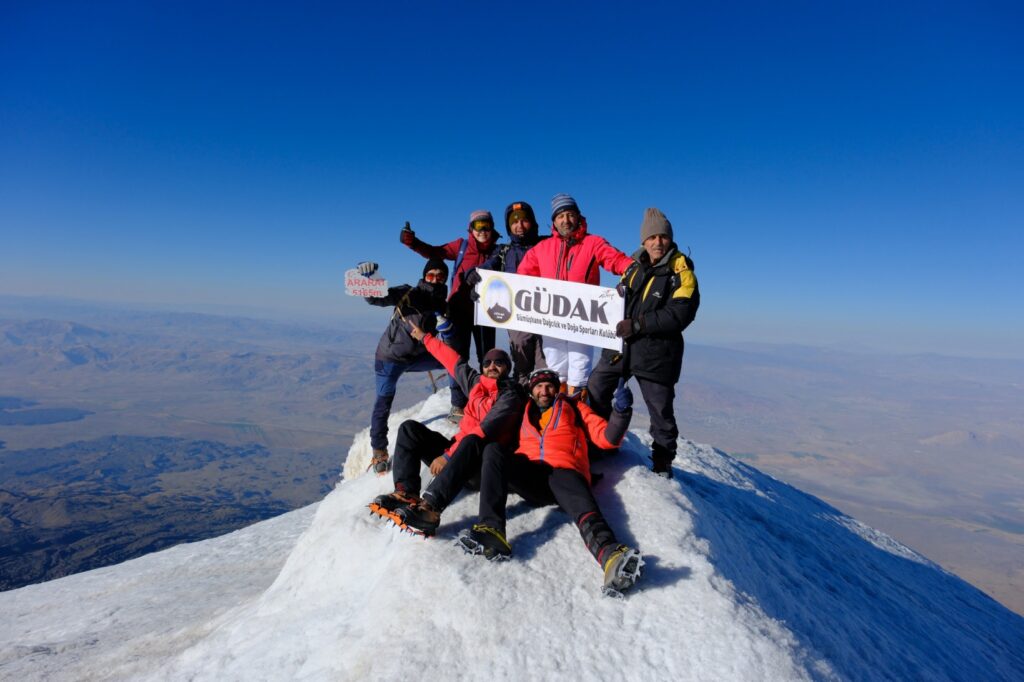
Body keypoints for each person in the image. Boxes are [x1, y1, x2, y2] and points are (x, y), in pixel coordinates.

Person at [457, 368, 644, 597]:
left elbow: (607, 439)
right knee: (494, 450)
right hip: (533, 476)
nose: (544, 390)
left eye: (549, 386)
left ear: (557, 389)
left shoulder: (574, 408)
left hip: (565, 472)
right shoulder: (522, 411)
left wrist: (621, 413)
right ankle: (492, 530)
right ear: (532, 390)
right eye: (539, 386)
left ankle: (610, 555)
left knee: (583, 507)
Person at [368, 321, 524, 535]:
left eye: (499, 362)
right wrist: (425, 338)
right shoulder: (476, 384)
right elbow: (452, 361)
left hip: (480, 465)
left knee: (471, 439)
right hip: (458, 453)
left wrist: (448, 457)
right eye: (488, 362)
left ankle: (430, 509)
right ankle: (406, 493)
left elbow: (485, 430)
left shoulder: (511, 395)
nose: (492, 366)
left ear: (507, 367)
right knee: (409, 429)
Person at [587, 208, 700, 478]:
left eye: (662, 236)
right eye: (652, 237)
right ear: (644, 241)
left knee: (660, 411)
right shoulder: (634, 269)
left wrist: (638, 324)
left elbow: (680, 314)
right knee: (595, 388)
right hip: (621, 349)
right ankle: (598, 443)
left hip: (656, 355)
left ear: (670, 239)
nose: (657, 242)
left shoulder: (680, 272)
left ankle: (662, 464)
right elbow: (619, 301)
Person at [516, 194, 632, 395]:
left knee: (580, 365)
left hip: (583, 318)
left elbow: (615, 260)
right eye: (560, 216)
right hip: (551, 317)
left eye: (570, 215)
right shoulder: (542, 249)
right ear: (554, 221)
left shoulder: (593, 243)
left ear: (578, 217)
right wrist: (491, 288)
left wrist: (633, 271)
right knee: (555, 364)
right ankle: (557, 410)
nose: (566, 220)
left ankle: (577, 407)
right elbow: (521, 278)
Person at [401, 212, 500, 421]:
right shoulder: (462, 246)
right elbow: (436, 252)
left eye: (486, 225)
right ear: (470, 228)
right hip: (458, 311)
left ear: (492, 228)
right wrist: (413, 243)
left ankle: (489, 398)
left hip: (486, 314)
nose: (482, 230)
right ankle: (458, 405)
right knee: (457, 358)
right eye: (478, 225)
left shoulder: (499, 252)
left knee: (487, 358)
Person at [361, 259, 452, 474]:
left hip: (417, 356)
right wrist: (369, 278)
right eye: (431, 275)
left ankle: (459, 405)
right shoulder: (407, 292)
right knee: (383, 402)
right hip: (390, 358)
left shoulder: (442, 303)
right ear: (424, 276)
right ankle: (379, 451)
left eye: (440, 276)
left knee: (454, 361)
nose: (435, 279)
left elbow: (449, 332)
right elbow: (376, 298)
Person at [464, 200, 547, 387]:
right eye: (514, 222)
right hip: (518, 317)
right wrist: (474, 278)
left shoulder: (547, 244)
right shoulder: (504, 251)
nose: (519, 226)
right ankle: (521, 394)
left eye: (524, 220)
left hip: (548, 315)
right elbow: (485, 269)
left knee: (545, 360)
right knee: (521, 355)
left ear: (532, 222)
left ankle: (544, 401)